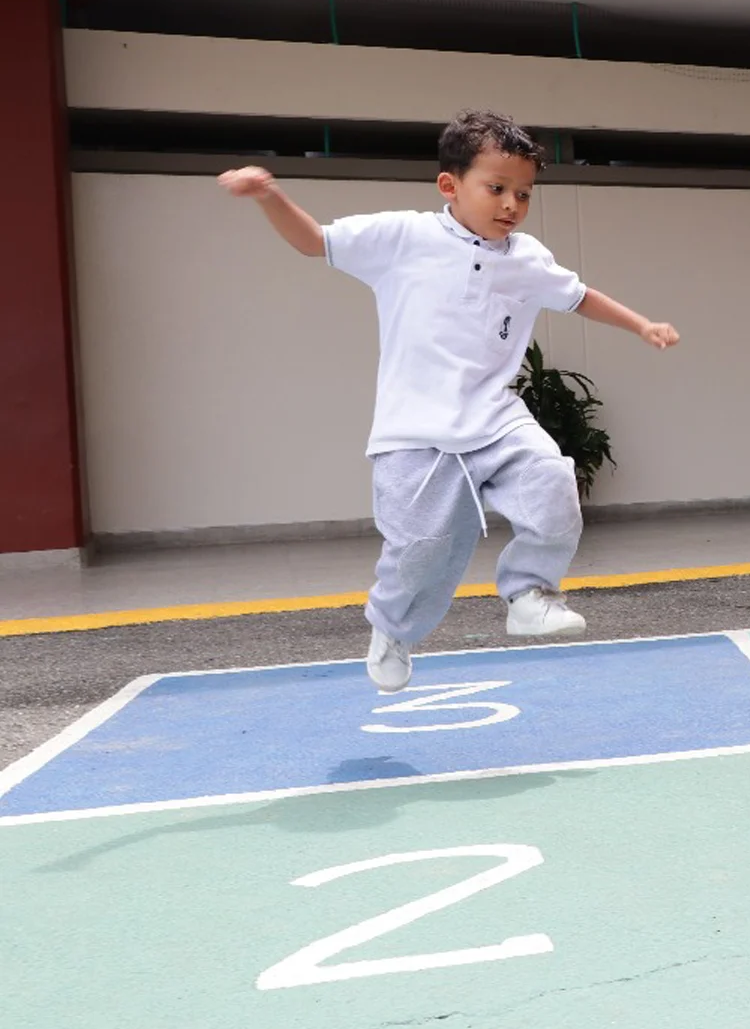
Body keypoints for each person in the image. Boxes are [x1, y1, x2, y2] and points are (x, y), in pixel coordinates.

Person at [218, 110, 680, 694]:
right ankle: (392, 630)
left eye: (524, 193)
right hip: (414, 433)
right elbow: (316, 242)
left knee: (551, 482)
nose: (511, 204)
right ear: (449, 185)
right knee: (423, 552)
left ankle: (530, 594)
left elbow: (579, 295)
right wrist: (269, 196)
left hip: (495, 417)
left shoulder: (526, 256)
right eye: (496, 188)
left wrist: (641, 325)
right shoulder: (403, 237)